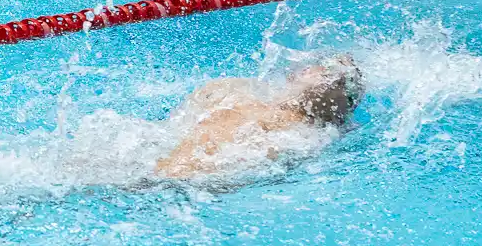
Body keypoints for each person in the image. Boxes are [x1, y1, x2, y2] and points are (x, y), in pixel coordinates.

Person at [150, 57, 364, 181]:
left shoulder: (307, 136)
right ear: (298, 73)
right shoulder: (230, 88)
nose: (335, 77)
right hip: (148, 167)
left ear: (342, 111)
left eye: (343, 83)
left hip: (186, 186)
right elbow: (169, 129)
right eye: (326, 69)